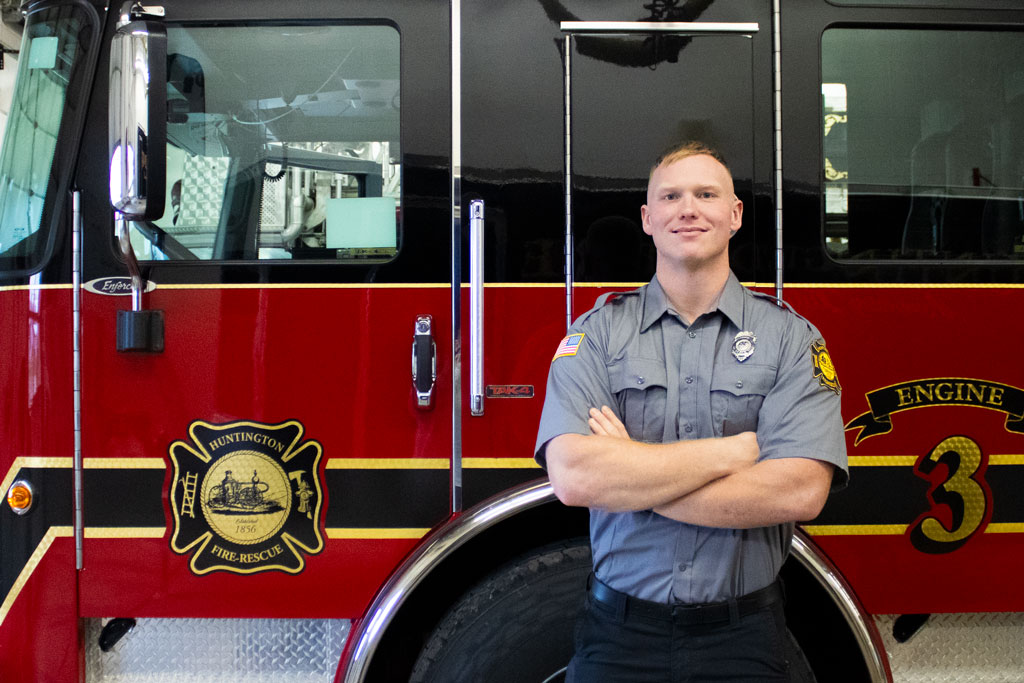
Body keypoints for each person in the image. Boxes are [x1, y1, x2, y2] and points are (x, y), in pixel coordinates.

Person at [534, 141, 848, 682]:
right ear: (648, 218)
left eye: (706, 194)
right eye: (671, 196)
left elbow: (799, 491)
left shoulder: (790, 339)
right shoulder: (597, 334)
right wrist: (735, 451)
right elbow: (576, 476)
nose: (688, 208)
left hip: (743, 637)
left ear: (735, 215)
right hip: (617, 636)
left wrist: (633, 471)